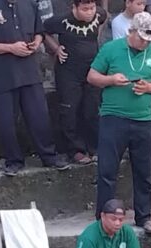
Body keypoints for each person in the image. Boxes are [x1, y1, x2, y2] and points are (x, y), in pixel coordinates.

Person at [88, 13, 151, 232]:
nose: (145, 42)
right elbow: (92, 76)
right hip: (113, 117)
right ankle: (103, 217)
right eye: (141, 38)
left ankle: (144, 216)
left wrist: (149, 88)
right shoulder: (111, 48)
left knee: (144, 171)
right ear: (130, 32)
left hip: (143, 118)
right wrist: (111, 80)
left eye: (148, 38)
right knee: (107, 170)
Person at [0, 0, 67, 175]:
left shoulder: (30, 5)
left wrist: (36, 41)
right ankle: (13, 160)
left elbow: (39, 30)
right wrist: (10, 48)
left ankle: (48, 155)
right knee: (7, 122)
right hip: (4, 74)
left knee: (39, 115)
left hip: (30, 71)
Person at [44, 0, 107, 165]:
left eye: (92, 8)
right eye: (85, 9)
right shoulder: (62, 20)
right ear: (74, 7)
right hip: (69, 72)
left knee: (92, 109)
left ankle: (95, 147)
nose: (89, 12)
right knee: (70, 110)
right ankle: (75, 150)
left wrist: (96, 39)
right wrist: (56, 49)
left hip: (92, 69)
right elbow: (43, 30)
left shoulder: (99, 14)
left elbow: (104, 18)